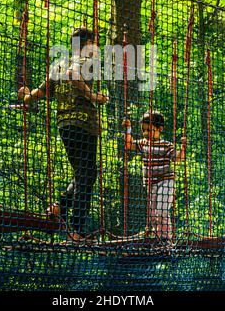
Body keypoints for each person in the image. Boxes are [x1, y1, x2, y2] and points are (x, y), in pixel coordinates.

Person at [18, 27, 108, 238]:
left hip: (64, 125)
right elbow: (73, 75)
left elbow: (42, 91)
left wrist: (26, 97)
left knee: (84, 172)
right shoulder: (85, 60)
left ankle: (59, 207)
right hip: (83, 124)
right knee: (86, 174)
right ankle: (76, 230)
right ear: (87, 43)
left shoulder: (58, 64)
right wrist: (94, 96)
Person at [123, 111, 186, 241]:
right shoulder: (143, 143)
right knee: (152, 216)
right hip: (151, 185)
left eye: (150, 130)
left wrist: (183, 147)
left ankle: (166, 239)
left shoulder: (166, 145)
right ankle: (158, 239)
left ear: (160, 129)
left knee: (162, 210)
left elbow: (178, 159)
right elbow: (128, 145)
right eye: (144, 130)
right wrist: (128, 129)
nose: (146, 133)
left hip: (166, 182)